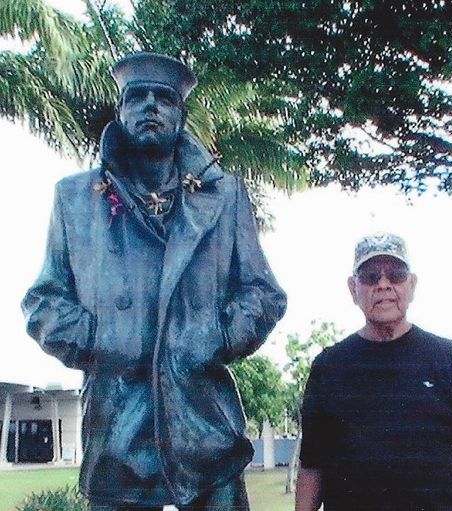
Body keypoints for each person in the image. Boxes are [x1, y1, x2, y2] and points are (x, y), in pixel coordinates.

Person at [21, 52, 286, 511]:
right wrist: (100, 339)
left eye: (163, 98)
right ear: (120, 110)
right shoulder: (74, 198)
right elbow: (44, 301)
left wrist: (219, 335)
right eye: (136, 97)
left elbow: (263, 293)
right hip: (117, 424)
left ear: (180, 114)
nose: (150, 106)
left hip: (204, 424)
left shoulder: (225, 195)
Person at [295, 232, 452, 511]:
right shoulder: (328, 368)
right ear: (353, 289)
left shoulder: (450, 359)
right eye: (370, 276)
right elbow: (312, 466)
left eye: (395, 275)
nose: (383, 285)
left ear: (412, 285)